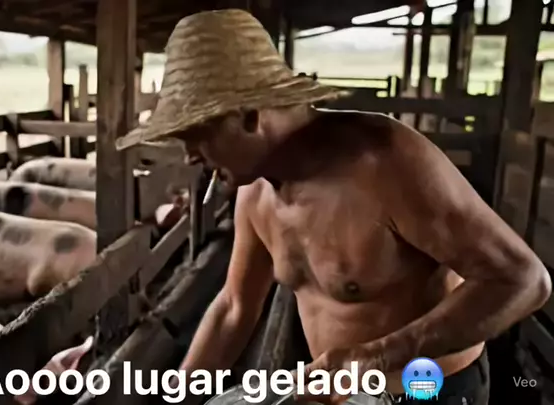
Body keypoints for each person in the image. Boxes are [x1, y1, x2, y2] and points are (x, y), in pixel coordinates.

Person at [115, 9, 552, 405]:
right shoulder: (255, 194)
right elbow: (234, 308)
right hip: (339, 390)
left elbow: (523, 279)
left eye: (197, 135)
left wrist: (374, 357)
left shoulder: (386, 163)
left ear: (249, 116)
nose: (190, 156)